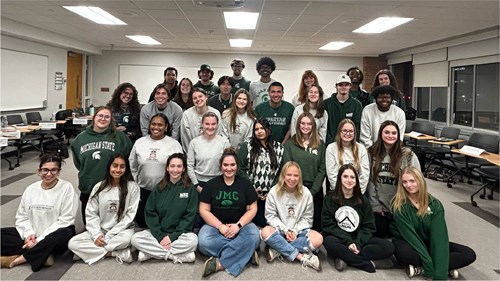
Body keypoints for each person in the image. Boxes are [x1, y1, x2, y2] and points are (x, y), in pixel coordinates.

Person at [391, 167, 476, 279]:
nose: (408, 185)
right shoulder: (398, 205)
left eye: (412, 181)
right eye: (405, 182)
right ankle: (441, 265)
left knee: (468, 254)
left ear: (420, 181)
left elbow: (439, 238)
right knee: (404, 254)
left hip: (428, 241)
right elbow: (411, 237)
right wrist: (429, 266)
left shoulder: (435, 205)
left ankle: (424, 268)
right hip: (409, 241)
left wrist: (439, 276)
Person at [0, 154, 78, 271]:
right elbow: (22, 217)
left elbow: (66, 219)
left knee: (64, 235)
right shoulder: (31, 189)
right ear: (39, 171)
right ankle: (42, 254)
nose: (48, 174)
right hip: (32, 234)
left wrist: (40, 240)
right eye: (45, 170)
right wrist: (28, 235)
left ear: (59, 172)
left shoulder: (67, 188)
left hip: (54, 234)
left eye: (53, 170)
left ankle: (17, 260)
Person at [198, 148, 260, 277]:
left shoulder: (245, 184)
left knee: (255, 236)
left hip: (241, 225)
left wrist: (238, 226)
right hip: (215, 226)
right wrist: (220, 226)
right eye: (225, 165)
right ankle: (246, 252)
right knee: (203, 242)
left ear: (237, 166)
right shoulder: (210, 185)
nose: (229, 168)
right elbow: (203, 210)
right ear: (220, 166)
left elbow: (253, 208)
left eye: (232, 165)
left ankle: (221, 262)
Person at [68, 154, 140, 265]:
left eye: (122, 166)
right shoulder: (99, 187)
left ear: (126, 169)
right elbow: (91, 214)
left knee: (129, 239)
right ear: (109, 167)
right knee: (72, 243)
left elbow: (129, 216)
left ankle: (88, 252)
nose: (118, 170)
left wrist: (109, 236)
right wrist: (97, 235)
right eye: (115, 166)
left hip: (122, 231)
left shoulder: (133, 187)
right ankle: (115, 253)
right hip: (101, 230)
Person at [322, 164, 395, 273]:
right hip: (339, 238)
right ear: (339, 179)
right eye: (345, 177)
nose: (349, 180)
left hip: (358, 238)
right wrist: (348, 241)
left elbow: (368, 227)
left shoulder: (363, 200)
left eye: (352, 177)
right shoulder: (330, 198)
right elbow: (328, 225)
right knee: (328, 242)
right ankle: (366, 263)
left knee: (389, 247)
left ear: (356, 180)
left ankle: (345, 257)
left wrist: (358, 244)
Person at [131, 153, 198, 263]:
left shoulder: (190, 189)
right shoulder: (159, 188)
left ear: (184, 169)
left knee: (193, 241)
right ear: (167, 168)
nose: (175, 170)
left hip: (180, 235)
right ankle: (174, 256)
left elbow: (189, 217)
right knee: (135, 239)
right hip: (159, 233)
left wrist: (172, 237)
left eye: (179, 166)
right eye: (172, 166)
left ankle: (151, 253)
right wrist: (160, 236)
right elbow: (150, 212)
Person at [71, 106, 133, 224]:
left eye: (107, 117)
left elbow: (128, 159)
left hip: (113, 186)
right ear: (94, 118)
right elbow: (78, 162)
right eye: (100, 116)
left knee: (112, 223)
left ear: (111, 120)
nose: (103, 119)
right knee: (89, 224)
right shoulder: (80, 139)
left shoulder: (119, 137)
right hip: (89, 185)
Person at [261, 161, 323, 271]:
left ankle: (278, 247)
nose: (292, 178)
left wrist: (294, 231)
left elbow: (307, 219)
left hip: (299, 232)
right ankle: (301, 257)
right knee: (265, 232)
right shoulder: (274, 192)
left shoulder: (306, 193)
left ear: (300, 177)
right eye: (289, 175)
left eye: (296, 175)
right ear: (283, 176)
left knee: (318, 239)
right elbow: (270, 216)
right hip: (280, 231)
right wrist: (286, 230)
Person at [129, 113, 183, 228]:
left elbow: (180, 168)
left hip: (166, 191)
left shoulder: (174, 144)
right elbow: (132, 165)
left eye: (160, 125)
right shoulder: (140, 143)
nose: (156, 127)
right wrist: (135, 183)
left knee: (164, 223)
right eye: (153, 124)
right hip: (144, 191)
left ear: (166, 127)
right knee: (143, 223)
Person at [368, 121, 420, 238]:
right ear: (381, 133)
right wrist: (375, 205)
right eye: (386, 132)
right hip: (381, 208)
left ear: (398, 135)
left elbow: (418, 182)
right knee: (379, 233)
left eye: (394, 133)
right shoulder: (372, 153)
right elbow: (370, 182)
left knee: (404, 234)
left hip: (402, 207)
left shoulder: (408, 155)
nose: (390, 136)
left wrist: (412, 205)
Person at [237, 118, 284, 227]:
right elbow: (239, 168)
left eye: (262, 128)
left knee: (266, 223)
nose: (259, 131)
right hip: (250, 192)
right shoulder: (247, 146)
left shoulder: (279, 148)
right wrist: (251, 187)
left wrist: (272, 190)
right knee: (251, 223)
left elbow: (281, 171)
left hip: (271, 193)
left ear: (269, 130)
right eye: (256, 129)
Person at [283, 112, 326, 231]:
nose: (305, 126)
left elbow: (322, 169)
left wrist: (313, 191)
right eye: (302, 123)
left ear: (313, 126)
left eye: (309, 124)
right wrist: (297, 189)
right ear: (298, 125)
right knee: (294, 224)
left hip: (314, 190)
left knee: (315, 225)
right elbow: (287, 167)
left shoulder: (320, 145)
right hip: (294, 189)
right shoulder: (290, 144)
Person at [187, 112, 230, 192]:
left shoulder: (224, 143)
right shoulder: (194, 143)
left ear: (217, 125)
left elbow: (229, 166)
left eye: (213, 124)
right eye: (207, 124)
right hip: (199, 183)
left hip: (220, 182)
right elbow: (190, 166)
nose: (210, 127)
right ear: (202, 124)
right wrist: (196, 185)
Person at [326, 119, 370, 194]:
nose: (348, 133)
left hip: (357, 193)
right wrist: (342, 194)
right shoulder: (331, 148)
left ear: (354, 133)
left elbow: (364, 175)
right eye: (345, 131)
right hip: (337, 193)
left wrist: (357, 193)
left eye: (351, 131)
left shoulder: (361, 149)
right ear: (339, 132)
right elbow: (332, 175)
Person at [360, 84, 406, 149]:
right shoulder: (367, 110)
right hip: (371, 150)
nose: (384, 100)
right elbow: (364, 137)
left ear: (392, 99)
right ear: (375, 98)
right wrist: (375, 151)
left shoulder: (399, 113)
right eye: (380, 97)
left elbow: (399, 138)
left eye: (387, 97)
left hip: (392, 150)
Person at [324, 74, 362, 145]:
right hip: (330, 145)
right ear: (336, 86)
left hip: (349, 145)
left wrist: (353, 144)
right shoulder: (326, 104)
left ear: (350, 86)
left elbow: (357, 128)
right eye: (341, 85)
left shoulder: (357, 105)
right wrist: (330, 143)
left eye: (346, 85)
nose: (343, 87)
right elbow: (325, 126)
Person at [181, 88, 221, 152]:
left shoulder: (216, 113)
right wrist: (191, 152)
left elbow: (218, 134)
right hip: (193, 151)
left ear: (206, 97)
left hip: (212, 151)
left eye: (200, 96)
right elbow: (185, 138)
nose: (198, 99)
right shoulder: (187, 114)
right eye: (195, 98)